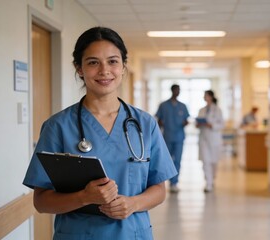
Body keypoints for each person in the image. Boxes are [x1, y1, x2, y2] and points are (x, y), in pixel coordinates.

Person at [22, 27, 177, 239]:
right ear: (79, 68)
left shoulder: (144, 124)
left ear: (123, 66)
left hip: (132, 234)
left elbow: (159, 189)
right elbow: (41, 201)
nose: (104, 70)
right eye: (93, 62)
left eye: (113, 61)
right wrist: (84, 197)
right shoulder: (58, 126)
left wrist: (134, 203)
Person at [155, 84, 190, 193]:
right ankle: (165, 181)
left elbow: (186, 119)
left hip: (179, 137)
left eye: (179, 90)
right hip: (167, 137)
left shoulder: (182, 106)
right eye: (176, 90)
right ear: (172, 91)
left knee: (178, 160)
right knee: (167, 161)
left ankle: (174, 182)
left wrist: (185, 123)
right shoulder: (163, 105)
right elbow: (158, 120)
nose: (177, 92)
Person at [196, 90, 224, 192]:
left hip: (214, 138)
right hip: (203, 138)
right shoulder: (201, 110)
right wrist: (198, 124)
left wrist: (211, 125)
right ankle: (208, 183)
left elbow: (221, 124)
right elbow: (198, 123)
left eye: (206, 95)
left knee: (214, 162)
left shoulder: (217, 110)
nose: (205, 97)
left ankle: (212, 179)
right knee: (205, 161)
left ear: (211, 97)